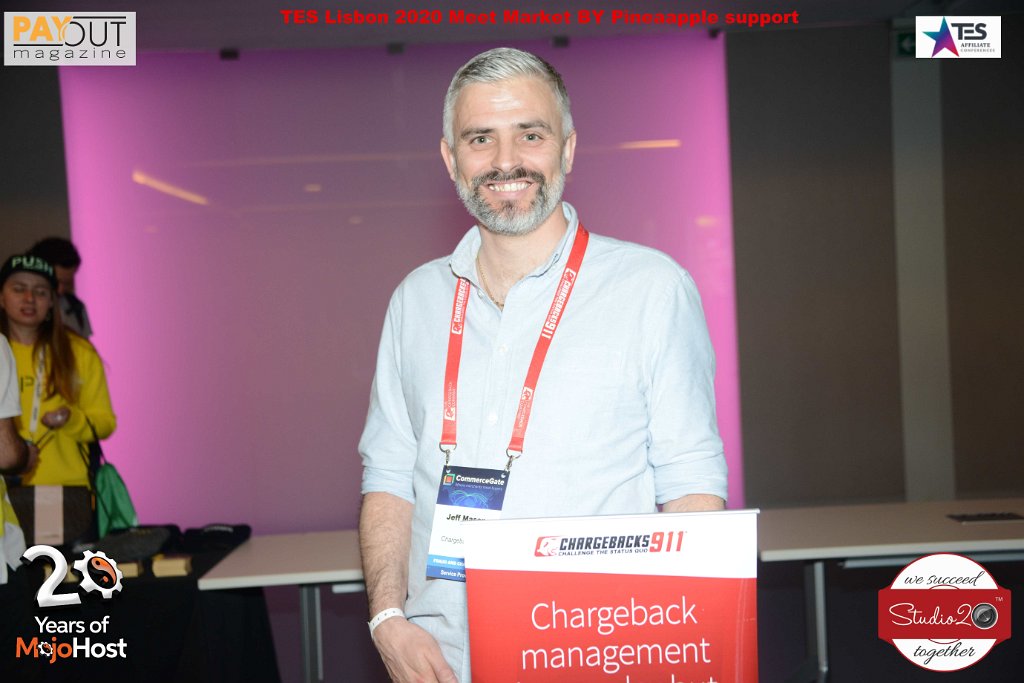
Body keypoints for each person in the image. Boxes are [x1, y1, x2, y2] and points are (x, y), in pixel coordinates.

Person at [358, 47, 727, 683]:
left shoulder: (651, 289)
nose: (506, 161)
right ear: (450, 158)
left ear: (568, 149)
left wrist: (675, 648)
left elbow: (691, 484)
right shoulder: (415, 300)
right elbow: (388, 476)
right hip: (443, 662)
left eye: (531, 134)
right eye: (480, 138)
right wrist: (387, 617)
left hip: (599, 655)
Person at [0, 254, 115, 488]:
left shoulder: (78, 351)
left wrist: (71, 418)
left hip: (62, 488)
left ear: (52, 302)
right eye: (19, 289)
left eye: (41, 292)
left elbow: (105, 423)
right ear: (1, 297)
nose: (29, 298)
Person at [28, 236, 93, 339]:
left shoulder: (76, 308)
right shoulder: (23, 309)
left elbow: (85, 345)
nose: (60, 290)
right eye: (56, 282)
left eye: (67, 283)